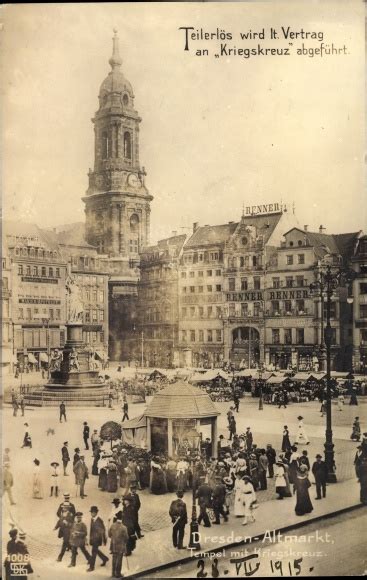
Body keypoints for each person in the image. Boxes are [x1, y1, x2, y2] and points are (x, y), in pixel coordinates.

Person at [87, 506, 109, 571]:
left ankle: (91, 567)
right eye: (91, 512)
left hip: (97, 539)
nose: (92, 514)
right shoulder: (92, 519)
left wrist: (104, 540)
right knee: (96, 551)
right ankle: (104, 558)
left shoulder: (99, 521)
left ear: (96, 513)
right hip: (93, 539)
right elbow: (91, 530)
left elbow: (103, 530)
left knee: (93, 552)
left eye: (93, 513)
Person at [108, 514, 129, 579]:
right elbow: (126, 538)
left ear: (116, 518)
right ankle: (118, 573)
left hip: (113, 545)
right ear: (122, 519)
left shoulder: (112, 525)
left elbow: (109, 535)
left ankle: (113, 573)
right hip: (120, 546)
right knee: (119, 560)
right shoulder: (124, 527)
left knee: (114, 559)